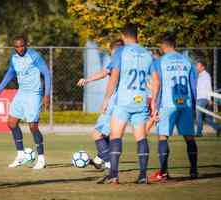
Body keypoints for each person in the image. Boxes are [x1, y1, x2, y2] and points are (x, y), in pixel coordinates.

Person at [99, 24, 159, 185]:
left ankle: (114, 175)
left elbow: (114, 76)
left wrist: (106, 99)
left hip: (124, 101)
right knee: (141, 137)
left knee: (115, 135)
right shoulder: (147, 54)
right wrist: (153, 102)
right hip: (140, 100)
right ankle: (142, 175)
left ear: (123, 36)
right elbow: (156, 80)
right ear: (136, 35)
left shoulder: (121, 51)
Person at [0, 35, 51, 170]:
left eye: (22, 45)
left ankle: (41, 159)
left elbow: (47, 73)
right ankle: (20, 155)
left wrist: (47, 95)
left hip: (34, 94)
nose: (20, 48)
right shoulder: (14, 58)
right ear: (14, 47)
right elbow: (10, 73)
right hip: (21, 93)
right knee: (11, 123)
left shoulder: (34, 56)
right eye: (17, 46)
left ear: (26, 45)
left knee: (32, 126)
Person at [149, 33, 198, 182]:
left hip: (167, 104)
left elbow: (156, 84)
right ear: (175, 45)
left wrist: (154, 104)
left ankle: (163, 172)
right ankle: (194, 170)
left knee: (163, 136)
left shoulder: (159, 62)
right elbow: (193, 86)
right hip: (186, 103)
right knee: (189, 137)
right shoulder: (188, 62)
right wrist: (193, 106)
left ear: (163, 46)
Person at [77, 40, 123, 169]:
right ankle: (99, 159)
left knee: (97, 133)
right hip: (127, 102)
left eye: (111, 52)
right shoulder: (131, 61)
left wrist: (87, 80)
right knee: (110, 134)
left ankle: (109, 163)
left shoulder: (116, 60)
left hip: (115, 102)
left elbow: (104, 74)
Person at [195, 59, 221, 137]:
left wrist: (209, 99)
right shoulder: (199, 76)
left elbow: (208, 87)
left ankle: (199, 133)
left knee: (198, 116)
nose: (197, 67)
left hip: (203, 99)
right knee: (206, 118)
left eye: (198, 66)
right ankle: (218, 127)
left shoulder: (206, 75)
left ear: (203, 67)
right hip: (200, 98)